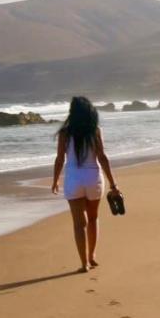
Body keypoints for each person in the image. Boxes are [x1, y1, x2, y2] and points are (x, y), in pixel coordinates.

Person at [51, 96, 120, 272]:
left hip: (74, 179)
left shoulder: (65, 133)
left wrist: (55, 180)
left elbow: (59, 159)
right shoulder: (95, 130)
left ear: (72, 112)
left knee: (78, 223)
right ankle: (92, 256)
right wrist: (113, 183)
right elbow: (102, 157)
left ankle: (84, 263)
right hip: (93, 178)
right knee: (93, 218)